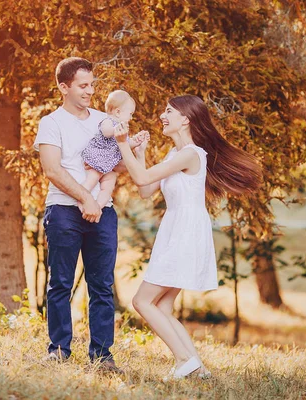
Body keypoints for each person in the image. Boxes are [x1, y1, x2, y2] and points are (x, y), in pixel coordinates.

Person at [114, 95, 262, 380]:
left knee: (142, 302)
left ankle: (184, 360)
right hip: (177, 230)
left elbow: (143, 179)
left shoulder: (191, 154)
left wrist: (122, 142)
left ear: (186, 119)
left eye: (169, 110)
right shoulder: (175, 155)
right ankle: (198, 367)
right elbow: (146, 189)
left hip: (184, 232)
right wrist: (140, 152)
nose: (162, 114)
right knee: (163, 306)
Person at [33, 57, 122, 373]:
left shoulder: (103, 121)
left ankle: (102, 356)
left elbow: (118, 161)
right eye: (83, 85)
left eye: (92, 84)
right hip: (63, 212)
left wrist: (99, 198)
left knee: (102, 286)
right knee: (60, 283)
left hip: (103, 212)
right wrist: (86, 198)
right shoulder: (51, 123)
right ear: (63, 87)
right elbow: (52, 169)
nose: (90, 91)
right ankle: (58, 350)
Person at [80, 90, 149, 211]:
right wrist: (116, 130)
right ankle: (80, 202)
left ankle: (98, 207)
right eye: (130, 113)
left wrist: (136, 141)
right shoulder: (108, 121)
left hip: (109, 165)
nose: (131, 117)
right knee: (91, 180)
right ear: (118, 112)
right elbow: (107, 133)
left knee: (109, 185)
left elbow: (125, 144)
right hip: (98, 159)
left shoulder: (122, 129)